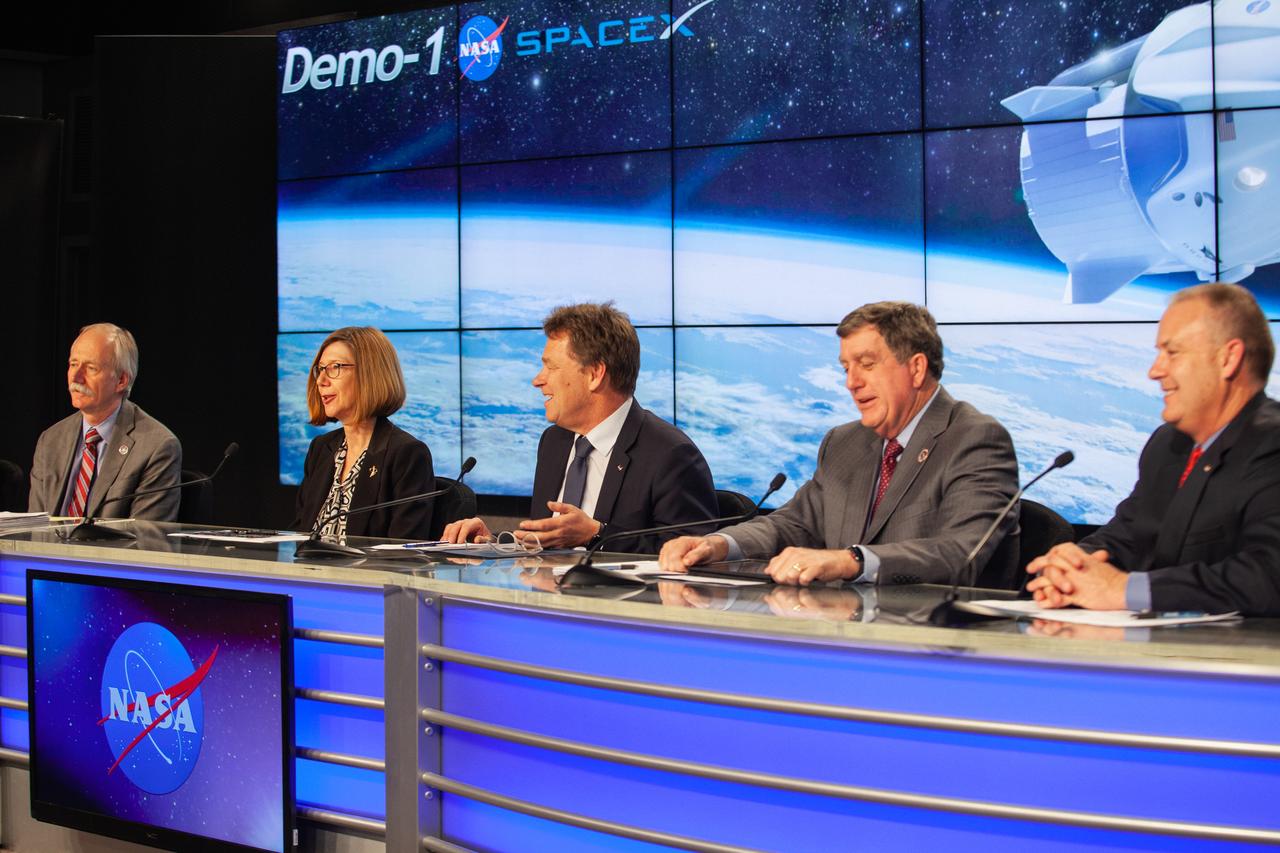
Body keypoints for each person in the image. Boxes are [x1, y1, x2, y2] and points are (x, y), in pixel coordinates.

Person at [659, 301, 1020, 586]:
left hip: (936, 647)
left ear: (916, 368)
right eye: (846, 368)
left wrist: (851, 561)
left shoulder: (975, 439)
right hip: (842, 634)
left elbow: (959, 553)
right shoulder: (846, 441)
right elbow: (793, 524)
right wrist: (718, 545)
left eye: (866, 364)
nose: (851, 382)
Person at [1028, 283, 1280, 615]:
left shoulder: (1272, 445)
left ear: (1228, 359)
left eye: (1172, 353)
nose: (1155, 370)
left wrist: (1124, 590)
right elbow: (1128, 535)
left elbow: (1269, 577)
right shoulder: (1168, 444)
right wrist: (1074, 569)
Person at [443, 302, 717, 552]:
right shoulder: (554, 442)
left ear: (595, 374)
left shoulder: (670, 455)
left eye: (551, 368)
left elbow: (693, 558)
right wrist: (493, 543)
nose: (538, 380)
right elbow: (549, 546)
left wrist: (597, 535)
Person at [292, 327, 435, 541]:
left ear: (369, 373)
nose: (321, 381)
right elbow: (298, 533)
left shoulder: (406, 454)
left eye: (335, 368)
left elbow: (403, 555)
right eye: (320, 369)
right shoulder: (321, 448)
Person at [29, 323, 182, 520]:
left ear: (121, 381)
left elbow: (146, 538)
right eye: (73, 364)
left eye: (91, 368)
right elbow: (33, 528)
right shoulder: (50, 440)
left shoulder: (156, 447)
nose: (76, 377)